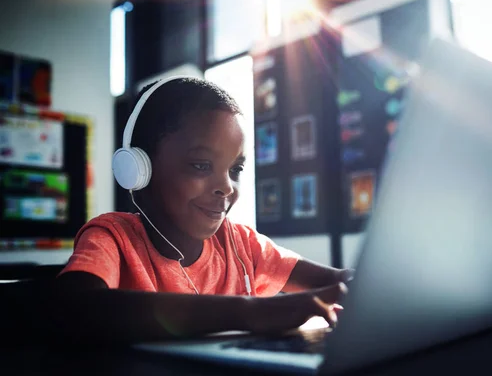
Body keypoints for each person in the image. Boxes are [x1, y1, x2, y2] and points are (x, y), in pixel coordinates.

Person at [52, 78, 352, 343]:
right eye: (201, 166)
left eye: (235, 169)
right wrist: (250, 311)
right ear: (139, 169)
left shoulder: (242, 244)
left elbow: (337, 281)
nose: (227, 187)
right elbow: (76, 307)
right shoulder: (112, 237)